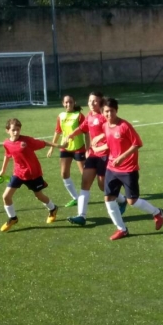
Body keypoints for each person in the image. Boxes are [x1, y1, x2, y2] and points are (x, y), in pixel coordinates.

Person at [87, 97, 163, 241]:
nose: (109, 114)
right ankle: (122, 229)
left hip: (128, 168)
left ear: (116, 110)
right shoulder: (105, 126)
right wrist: (98, 146)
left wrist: (122, 157)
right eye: (106, 111)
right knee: (108, 198)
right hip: (112, 168)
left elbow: (137, 144)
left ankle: (157, 212)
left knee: (132, 201)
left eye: (111, 111)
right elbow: (111, 143)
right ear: (102, 112)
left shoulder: (125, 126)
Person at [62, 92, 126, 226]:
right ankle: (81, 216)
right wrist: (71, 135)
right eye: (90, 100)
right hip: (93, 154)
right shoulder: (90, 115)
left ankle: (122, 200)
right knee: (85, 183)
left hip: (105, 154)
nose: (91, 103)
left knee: (103, 186)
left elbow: (111, 130)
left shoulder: (104, 116)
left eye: (95, 101)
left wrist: (100, 138)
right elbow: (83, 127)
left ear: (100, 102)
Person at [0, 118, 61, 232]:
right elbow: (7, 155)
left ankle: (53, 209)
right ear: (7, 130)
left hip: (33, 174)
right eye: (13, 130)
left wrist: (60, 145)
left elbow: (43, 143)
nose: (16, 132)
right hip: (18, 173)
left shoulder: (27, 141)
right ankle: (13, 218)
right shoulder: (6, 143)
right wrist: (2, 171)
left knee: (39, 196)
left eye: (18, 129)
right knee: (6, 196)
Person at [46, 95, 87, 207]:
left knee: (86, 175)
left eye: (70, 102)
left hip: (78, 148)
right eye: (66, 102)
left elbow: (86, 132)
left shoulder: (79, 115)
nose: (68, 104)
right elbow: (57, 132)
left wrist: (88, 148)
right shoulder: (61, 116)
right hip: (65, 147)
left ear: (74, 102)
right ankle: (75, 198)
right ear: (63, 103)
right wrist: (52, 147)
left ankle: (112, 195)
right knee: (64, 173)